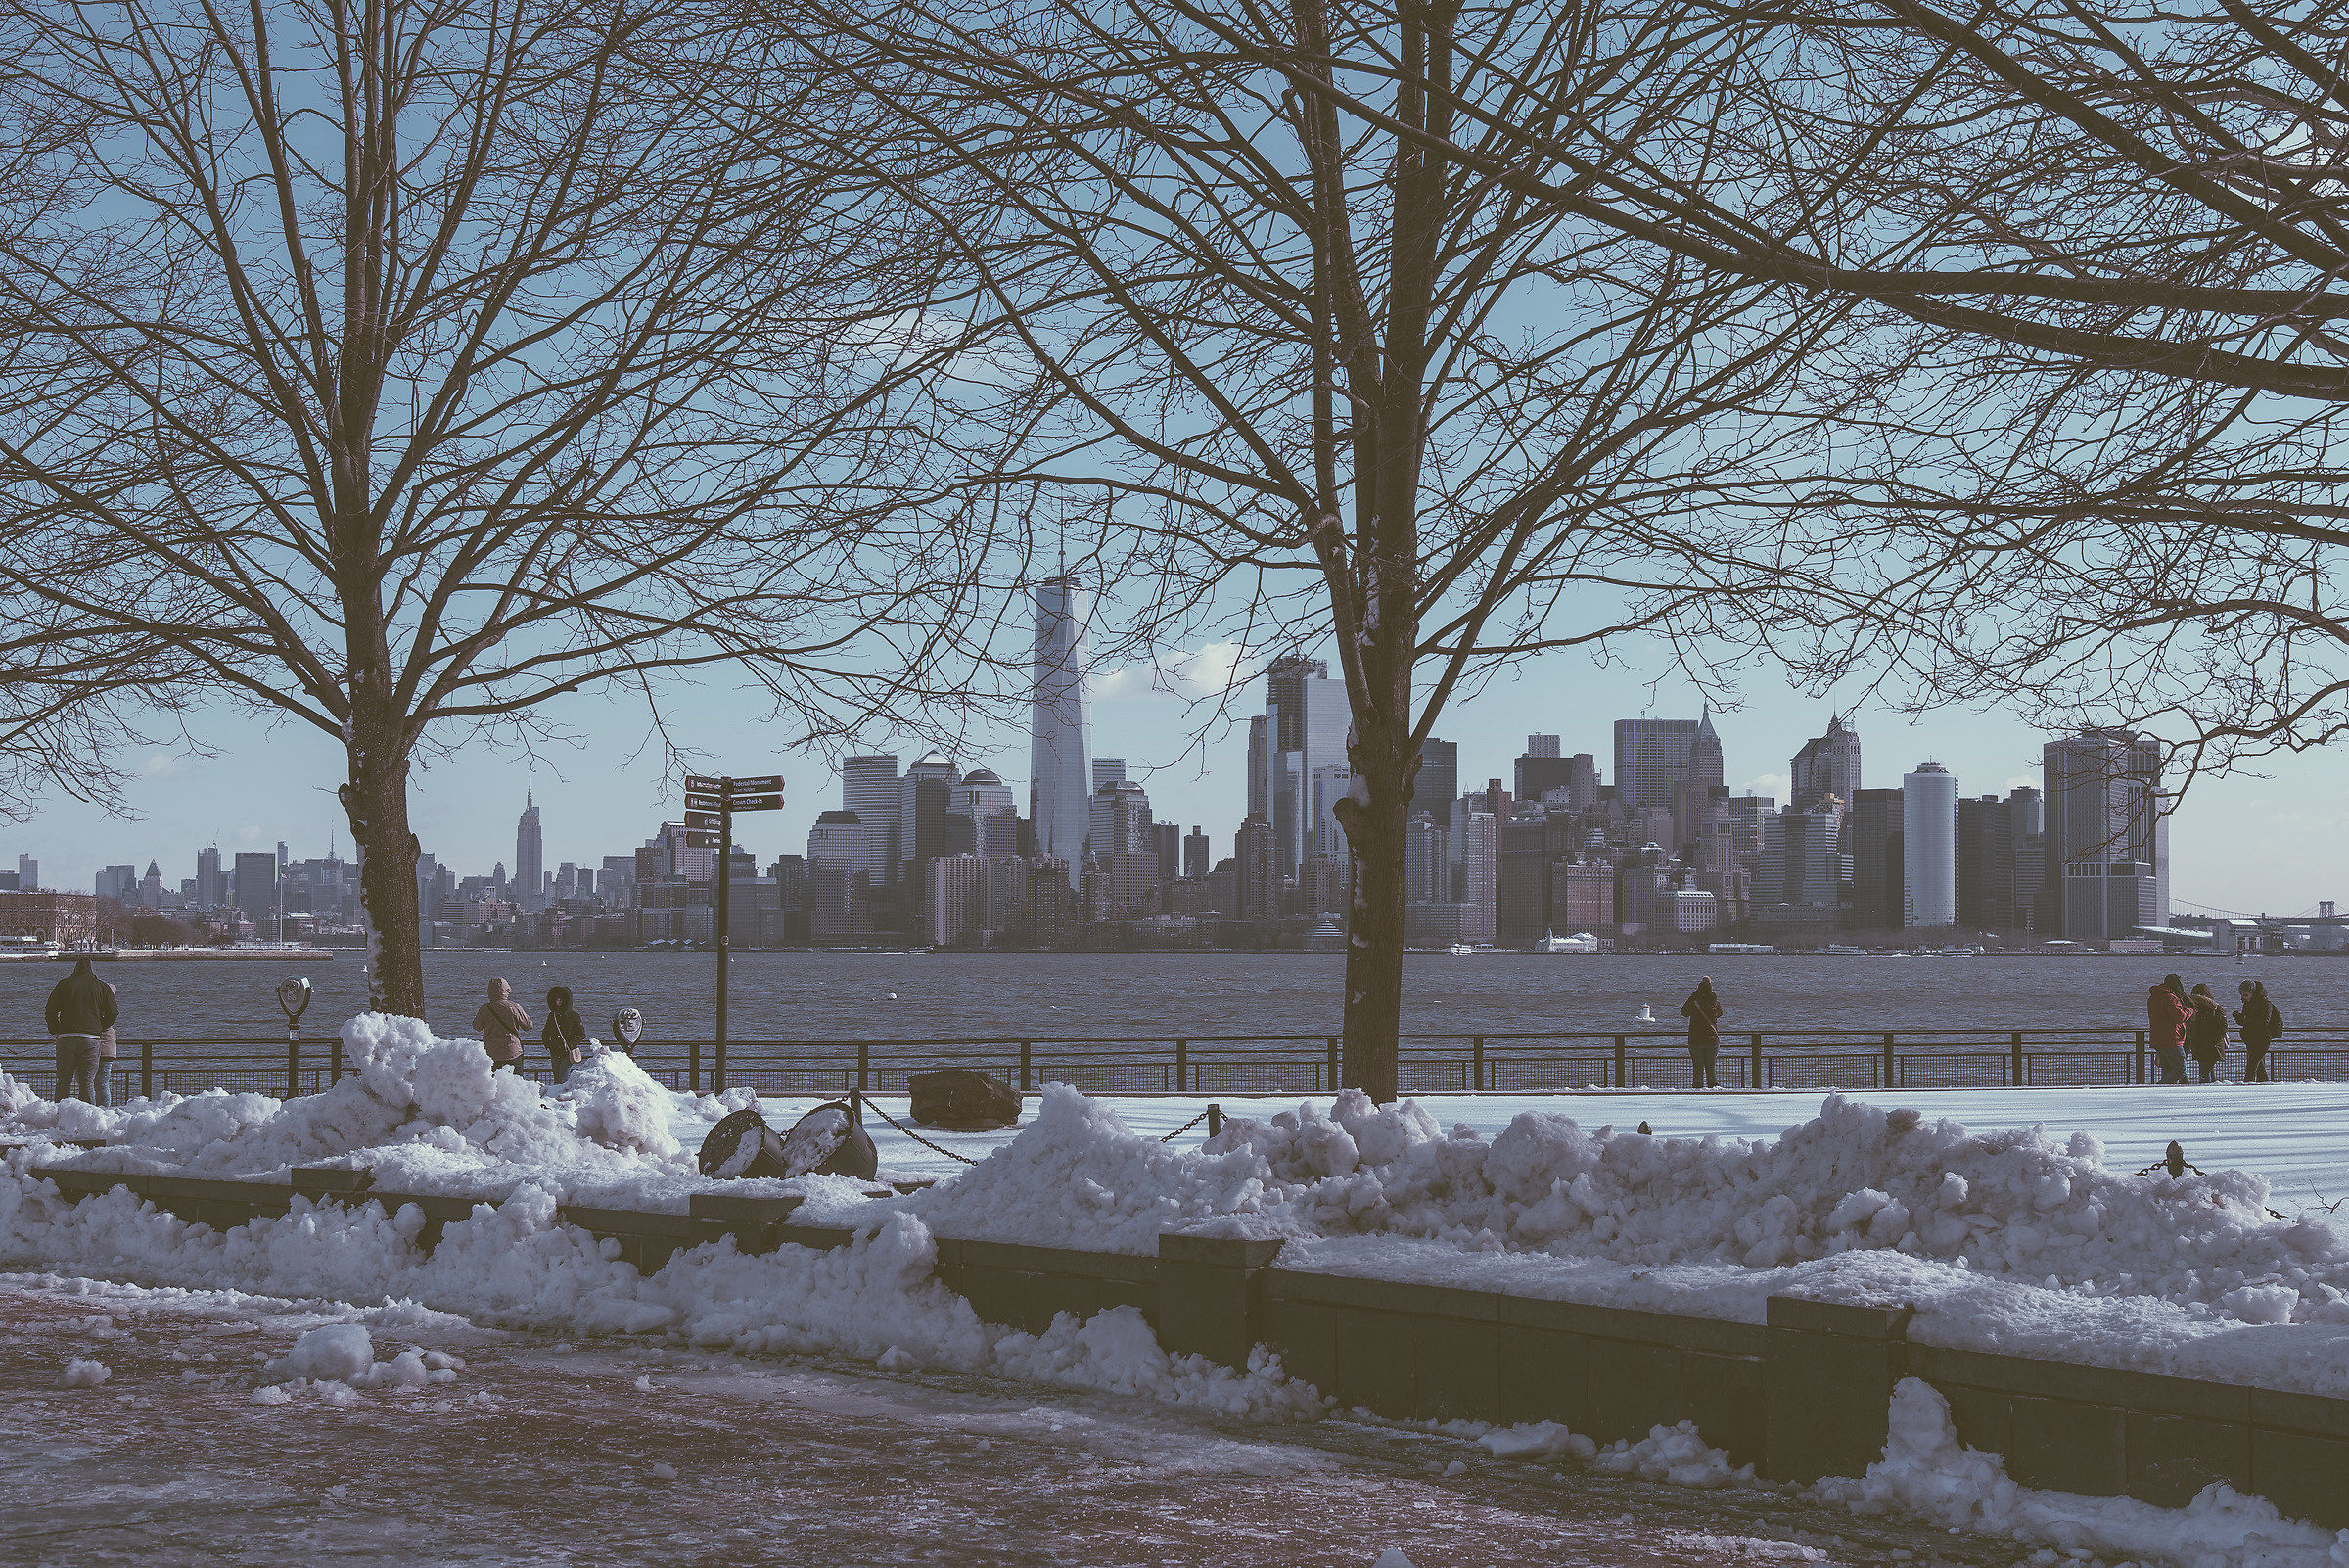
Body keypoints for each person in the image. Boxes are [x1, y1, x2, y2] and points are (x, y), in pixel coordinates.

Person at [44, 957, 118, 1104]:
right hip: (91, 1038)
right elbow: (113, 1012)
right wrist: (100, 1026)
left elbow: (50, 1010)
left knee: (64, 1080)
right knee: (87, 1081)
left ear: (75, 969)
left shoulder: (63, 984)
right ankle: (88, 1114)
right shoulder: (102, 987)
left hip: (66, 1037)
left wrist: (55, 1030)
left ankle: (61, 1112)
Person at [472, 977, 531, 1071]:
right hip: (512, 1051)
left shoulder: (484, 1009)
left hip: (492, 1053)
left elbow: (476, 1026)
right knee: (515, 1083)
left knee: (494, 1084)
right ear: (505, 990)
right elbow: (528, 1026)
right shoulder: (514, 1007)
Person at [1681, 976, 1723, 1090]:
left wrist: (1693, 996)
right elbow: (1720, 1013)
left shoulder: (1694, 1002)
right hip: (1712, 1039)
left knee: (1697, 1068)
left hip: (1696, 1039)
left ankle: (1697, 1089)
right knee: (1711, 1067)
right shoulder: (1715, 1002)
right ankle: (1713, 1089)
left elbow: (1683, 1012)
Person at [2147, 974, 2191, 1084]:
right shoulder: (2171, 998)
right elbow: (2179, 1017)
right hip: (2172, 1039)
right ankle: (2157, 1088)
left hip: (2157, 1039)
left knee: (2167, 1070)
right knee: (2180, 1070)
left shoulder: (2154, 997)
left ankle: (2165, 1092)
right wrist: (2190, 1011)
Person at [542, 985, 590, 1085]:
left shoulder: (574, 1016)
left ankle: (561, 1098)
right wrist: (548, 1044)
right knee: (556, 1079)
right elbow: (545, 1032)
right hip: (555, 1052)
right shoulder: (552, 1015)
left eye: (560, 1000)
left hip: (567, 1053)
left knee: (563, 1079)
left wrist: (571, 1044)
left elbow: (581, 1034)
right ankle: (556, 1099)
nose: (557, 1002)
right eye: (556, 1000)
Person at [2235, 981, 2281, 1083]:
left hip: (2262, 1039)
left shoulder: (2266, 1004)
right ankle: (2264, 1086)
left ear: (2253, 993)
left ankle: (2247, 1087)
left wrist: (2244, 1019)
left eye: (2246, 995)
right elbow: (2246, 1022)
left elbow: (2263, 1022)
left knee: (2251, 1067)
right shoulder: (2248, 1004)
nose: (2244, 998)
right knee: (2259, 1069)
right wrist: (2239, 1018)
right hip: (2251, 1039)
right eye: (2242, 995)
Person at [2185, 983, 2228, 1083]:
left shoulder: (2215, 1010)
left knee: (2204, 1073)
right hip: (2201, 1047)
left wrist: (2213, 1042)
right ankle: (2212, 1092)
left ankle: (2206, 1092)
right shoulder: (2197, 1011)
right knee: (2208, 1072)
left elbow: (2223, 1027)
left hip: (2210, 1047)